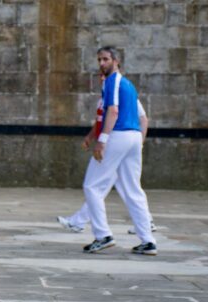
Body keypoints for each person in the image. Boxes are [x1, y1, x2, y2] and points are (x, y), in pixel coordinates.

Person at [57, 75, 157, 235]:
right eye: (101, 76)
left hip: (118, 146)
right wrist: (90, 137)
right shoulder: (105, 98)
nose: (103, 79)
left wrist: (139, 144)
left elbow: (143, 120)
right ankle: (79, 221)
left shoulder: (125, 95)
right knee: (109, 188)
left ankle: (90, 227)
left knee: (99, 187)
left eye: (106, 76)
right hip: (115, 145)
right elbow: (100, 122)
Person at [81, 46, 157, 255]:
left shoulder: (112, 81)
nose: (101, 63)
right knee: (133, 190)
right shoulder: (129, 85)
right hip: (133, 137)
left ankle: (102, 235)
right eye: (99, 60)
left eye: (105, 59)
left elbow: (112, 112)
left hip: (119, 135)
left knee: (92, 186)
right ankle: (148, 241)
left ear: (116, 61)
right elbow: (143, 118)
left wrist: (102, 140)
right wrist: (138, 142)